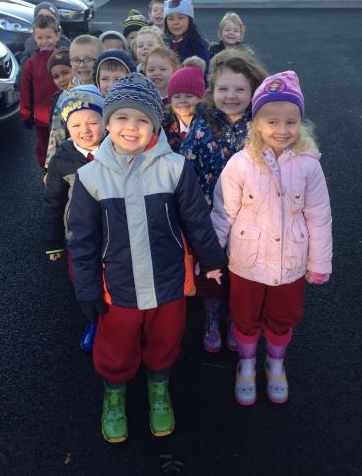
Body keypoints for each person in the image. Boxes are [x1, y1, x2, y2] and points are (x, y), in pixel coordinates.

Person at [67, 73, 226, 443]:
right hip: (118, 286)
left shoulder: (174, 167)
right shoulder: (91, 177)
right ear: (108, 123)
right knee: (116, 347)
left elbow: (196, 219)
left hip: (168, 282)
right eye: (122, 117)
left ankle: (158, 389)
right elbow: (83, 240)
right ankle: (114, 394)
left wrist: (213, 260)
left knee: (164, 340)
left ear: (155, 125)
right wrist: (87, 288)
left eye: (142, 119)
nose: (131, 127)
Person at [210, 71, 332, 406]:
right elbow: (223, 212)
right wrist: (211, 256)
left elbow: (319, 216)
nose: (282, 130)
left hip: (290, 264)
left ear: (301, 123)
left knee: (283, 317)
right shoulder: (240, 164)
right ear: (256, 124)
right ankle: (247, 363)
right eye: (272, 121)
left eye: (291, 122)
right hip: (246, 263)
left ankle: (275, 363)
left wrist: (319, 263)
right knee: (245, 316)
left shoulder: (309, 166)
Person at [180, 48, 268, 353]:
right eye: (223, 89)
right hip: (210, 214)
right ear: (211, 90)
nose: (231, 96)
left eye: (240, 90)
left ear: (253, 91)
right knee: (212, 269)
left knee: (242, 272)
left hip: (250, 216)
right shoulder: (202, 122)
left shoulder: (260, 125)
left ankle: (234, 317)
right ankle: (211, 316)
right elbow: (187, 165)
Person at [42, 86, 105, 352]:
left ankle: (112, 318)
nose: (85, 130)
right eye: (76, 124)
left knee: (111, 279)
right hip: (77, 235)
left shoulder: (117, 150)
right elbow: (53, 202)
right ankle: (92, 320)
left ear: (106, 121)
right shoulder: (62, 159)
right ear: (67, 126)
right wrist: (53, 242)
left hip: (112, 231)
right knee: (82, 280)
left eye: (93, 122)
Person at [44, 35, 103, 168]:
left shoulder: (107, 90)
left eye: (89, 59)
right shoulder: (65, 96)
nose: (82, 65)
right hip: (75, 162)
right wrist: (50, 167)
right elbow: (56, 134)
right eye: (76, 60)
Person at [19, 15, 62, 168]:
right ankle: (47, 171)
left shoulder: (63, 57)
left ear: (57, 36)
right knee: (44, 146)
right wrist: (25, 113)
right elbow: (25, 90)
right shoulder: (31, 63)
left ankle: (63, 171)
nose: (45, 41)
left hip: (63, 114)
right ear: (34, 38)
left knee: (64, 145)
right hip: (42, 118)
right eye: (40, 37)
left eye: (49, 37)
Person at [16, 2, 70, 89]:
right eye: (41, 17)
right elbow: (23, 68)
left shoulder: (65, 44)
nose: (45, 20)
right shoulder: (30, 44)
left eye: (49, 17)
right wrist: (18, 87)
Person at [162, 62, 205, 153]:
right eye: (177, 97)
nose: (182, 101)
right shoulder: (164, 124)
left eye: (189, 96)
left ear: (200, 98)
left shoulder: (208, 125)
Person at [163, 0, 210, 74]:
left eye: (181, 18)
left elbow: (204, 74)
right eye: (171, 19)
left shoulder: (198, 46)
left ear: (189, 20)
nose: (176, 22)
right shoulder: (161, 44)